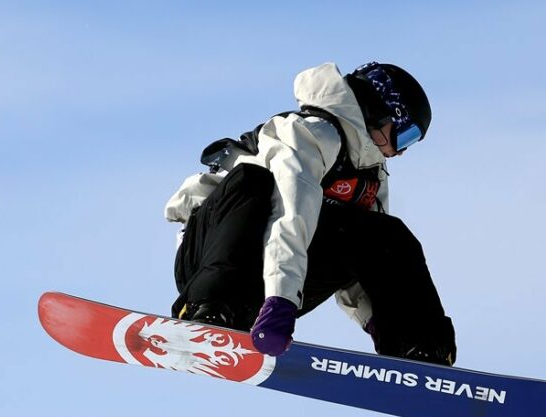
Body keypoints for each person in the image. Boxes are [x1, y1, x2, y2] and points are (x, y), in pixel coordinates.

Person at [164, 61, 456, 365]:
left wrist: (380, 324)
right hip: (212, 261)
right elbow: (290, 216)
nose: (400, 152)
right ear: (377, 112)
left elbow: (367, 261)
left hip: (276, 284)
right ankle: (210, 307)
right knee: (252, 181)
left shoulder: (369, 174)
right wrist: (281, 302)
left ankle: (420, 347)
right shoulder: (309, 133)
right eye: (402, 135)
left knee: (385, 233)